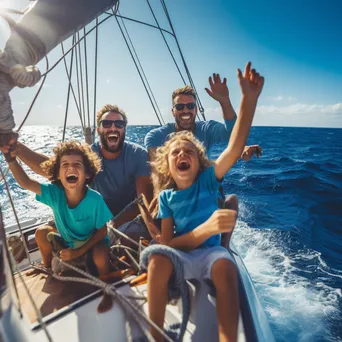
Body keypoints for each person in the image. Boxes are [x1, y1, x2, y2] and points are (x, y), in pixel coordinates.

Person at [146, 62, 264, 342]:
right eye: (175, 153)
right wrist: (205, 229)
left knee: (225, 266)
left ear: (200, 161)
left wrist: (246, 99)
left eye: (189, 151)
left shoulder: (209, 176)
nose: (181, 154)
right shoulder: (167, 196)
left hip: (211, 248)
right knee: (157, 260)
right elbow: (167, 244)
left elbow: (235, 145)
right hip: (183, 252)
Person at [1, 104, 154, 241]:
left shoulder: (137, 154)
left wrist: (110, 226)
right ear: (98, 129)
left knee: (134, 234)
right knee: (42, 234)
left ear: (124, 129)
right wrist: (17, 148)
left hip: (123, 221)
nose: (113, 128)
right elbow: (49, 168)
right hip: (88, 218)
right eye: (106, 123)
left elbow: (142, 201)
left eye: (119, 124)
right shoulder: (88, 155)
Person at [5, 141, 113, 277]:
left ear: (87, 174)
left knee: (101, 254)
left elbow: (102, 231)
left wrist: (79, 252)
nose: (71, 168)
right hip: (68, 243)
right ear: (57, 174)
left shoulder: (95, 199)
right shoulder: (54, 194)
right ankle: (47, 267)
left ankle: (106, 280)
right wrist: (10, 159)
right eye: (65, 164)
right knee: (41, 233)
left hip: (91, 245)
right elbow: (25, 182)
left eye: (77, 165)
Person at [144, 73, 262, 162]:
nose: (185, 110)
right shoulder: (155, 136)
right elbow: (158, 171)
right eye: (180, 106)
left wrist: (225, 102)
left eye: (190, 106)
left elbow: (232, 134)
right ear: (173, 111)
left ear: (195, 110)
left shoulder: (207, 129)